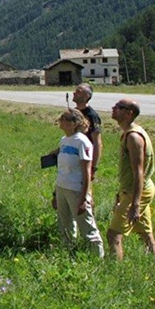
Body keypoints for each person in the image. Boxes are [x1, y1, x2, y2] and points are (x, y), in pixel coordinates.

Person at [47, 108, 104, 257]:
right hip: (62, 187)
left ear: (74, 123)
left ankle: (97, 255)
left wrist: (84, 198)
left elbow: (86, 172)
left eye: (64, 119)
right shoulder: (64, 141)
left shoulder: (82, 141)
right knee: (64, 224)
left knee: (86, 224)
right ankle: (68, 252)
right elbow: (62, 169)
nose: (60, 121)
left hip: (76, 189)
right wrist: (55, 194)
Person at [107, 99, 155, 259]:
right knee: (145, 233)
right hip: (135, 189)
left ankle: (115, 272)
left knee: (113, 234)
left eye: (119, 107)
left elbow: (139, 173)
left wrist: (135, 204)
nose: (113, 108)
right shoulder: (129, 133)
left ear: (129, 113)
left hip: (137, 191)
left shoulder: (134, 137)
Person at [72, 83, 103, 180]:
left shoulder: (92, 116)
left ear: (86, 96)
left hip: (84, 158)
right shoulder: (74, 112)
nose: (74, 93)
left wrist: (93, 167)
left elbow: (97, 143)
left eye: (78, 91)